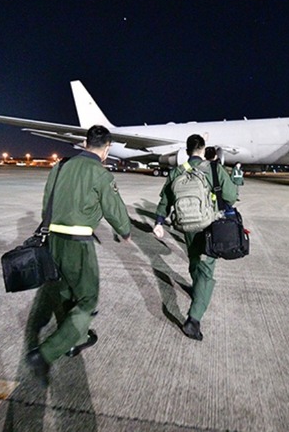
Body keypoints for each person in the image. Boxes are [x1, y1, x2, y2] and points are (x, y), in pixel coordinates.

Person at [26, 125, 131, 384]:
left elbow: (46, 204)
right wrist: (125, 232)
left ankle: (77, 340)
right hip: (79, 243)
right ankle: (46, 353)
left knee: (64, 293)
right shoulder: (100, 173)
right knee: (86, 301)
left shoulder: (60, 166)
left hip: (53, 240)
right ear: (106, 148)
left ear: (85, 143)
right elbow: (114, 211)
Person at [152, 134, 237, 341]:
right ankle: (193, 319)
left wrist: (159, 222)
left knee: (193, 258)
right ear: (203, 149)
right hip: (208, 226)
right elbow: (231, 197)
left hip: (186, 226)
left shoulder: (177, 171)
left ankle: (195, 287)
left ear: (187, 150)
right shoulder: (214, 169)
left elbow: (165, 200)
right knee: (206, 271)